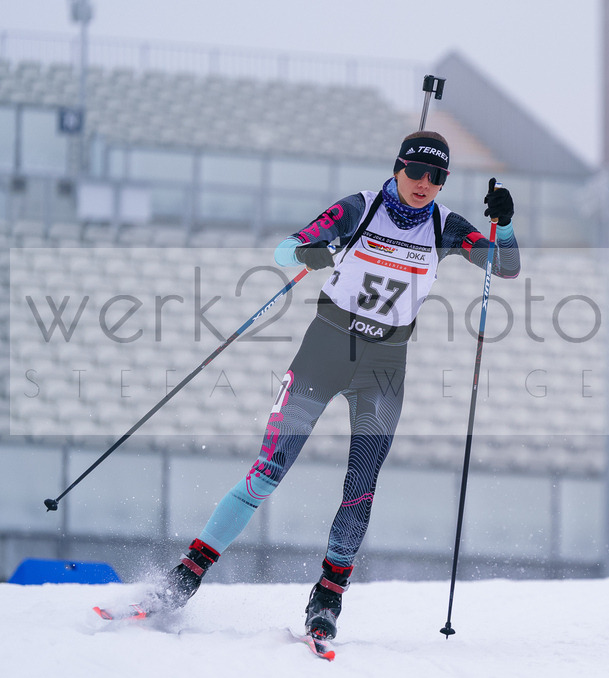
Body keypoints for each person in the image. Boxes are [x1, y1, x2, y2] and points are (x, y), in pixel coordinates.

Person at [147, 131, 520, 641]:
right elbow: (285, 248)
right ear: (398, 167)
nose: (424, 184)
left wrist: (506, 223)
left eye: (437, 177)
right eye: (416, 172)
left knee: (359, 490)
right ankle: (185, 578)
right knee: (266, 474)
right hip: (325, 350)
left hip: (385, 366)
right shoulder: (360, 209)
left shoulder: (445, 225)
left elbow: (507, 265)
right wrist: (311, 250)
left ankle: (327, 601)